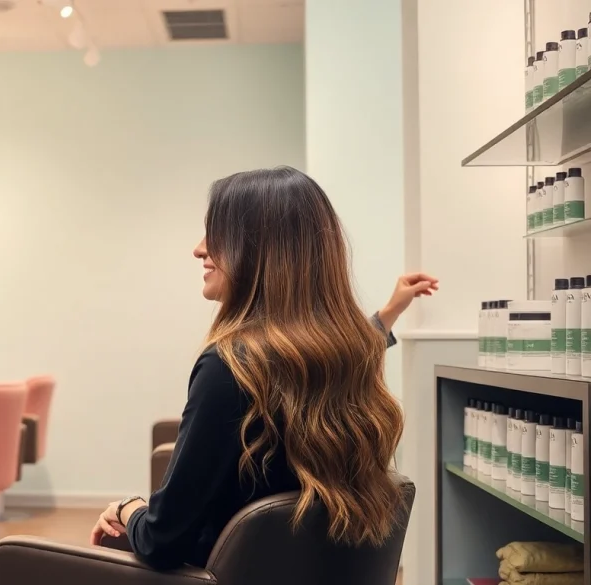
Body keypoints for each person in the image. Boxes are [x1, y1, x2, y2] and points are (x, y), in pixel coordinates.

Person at [91, 167, 439, 569]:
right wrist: (390, 311)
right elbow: (356, 339)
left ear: (257, 249)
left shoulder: (230, 367)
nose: (199, 249)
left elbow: (161, 541)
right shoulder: (345, 360)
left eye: (215, 233)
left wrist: (128, 508)